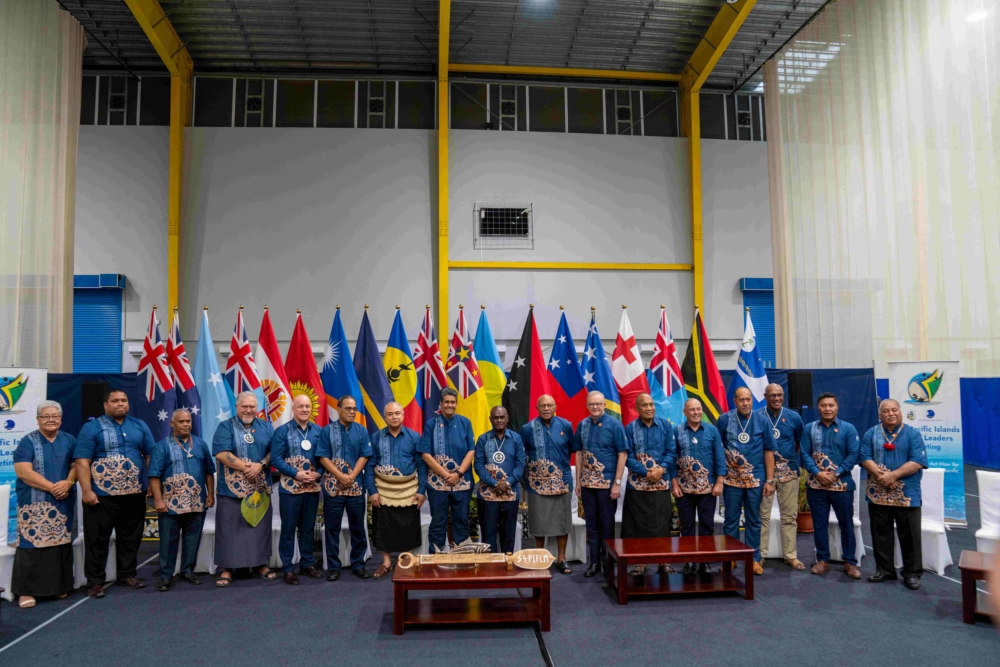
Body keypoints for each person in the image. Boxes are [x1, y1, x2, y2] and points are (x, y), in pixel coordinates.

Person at [74, 388, 156, 597]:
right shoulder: (92, 428)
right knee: (97, 540)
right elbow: (82, 462)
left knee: (131, 538)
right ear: (106, 404)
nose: (121, 404)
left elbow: (150, 456)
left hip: (134, 494)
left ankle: (127, 575)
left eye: (124, 400)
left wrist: (152, 486)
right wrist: (86, 491)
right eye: (115, 401)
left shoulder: (140, 426)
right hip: (101, 496)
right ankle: (95, 581)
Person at [11, 400, 76, 608]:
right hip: (33, 500)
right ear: (38, 419)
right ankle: (25, 592)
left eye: (55, 416)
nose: (51, 420)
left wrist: (69, 482)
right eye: (46, 416)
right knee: (32, 544)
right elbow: (23, 472)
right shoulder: (27, 441)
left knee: (59, 542)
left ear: (61, 418)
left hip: (63, 498)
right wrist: (52, 487)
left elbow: (77, 465)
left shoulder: (69, 439)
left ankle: (57, 587)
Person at [861, 398, 929, 590]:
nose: (890, 413)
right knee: (880, 533)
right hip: (878, 493)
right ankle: (885, 570)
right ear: (880, 415)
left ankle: (912, 573)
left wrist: (893, 475)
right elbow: (864, 456)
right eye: (886, 411)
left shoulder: (913, 434)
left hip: (907, 494)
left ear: (900, 412)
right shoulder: (871, 433)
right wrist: (879, 474)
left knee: (910, 536)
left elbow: (917, 461)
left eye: (894, 410)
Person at [212, 391, 278, 587]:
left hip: (259, 490)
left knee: (258, 528)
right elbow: (221, 453)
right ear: (237, 407)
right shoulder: (225, 427)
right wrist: (247, 467)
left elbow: (274, 451)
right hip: (230, 491)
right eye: (244, 406)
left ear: (257, 408)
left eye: (252, 406)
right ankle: (226, 568)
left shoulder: (266, 426)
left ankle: (260, 564)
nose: (248, 410)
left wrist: (262, 465)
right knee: (229, 529)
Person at [148, 408, 216, 592]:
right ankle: (165, 576)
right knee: (168, 541)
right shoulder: (161, 446)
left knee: (193, 538)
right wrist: (158, 500)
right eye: (181, 422)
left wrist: (210, 495)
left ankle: (188, 571)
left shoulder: (201, 445)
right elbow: (154, 476)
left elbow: (209, 472)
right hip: (170, 504)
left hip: (197, 502)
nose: (186, 424)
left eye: (188, 421)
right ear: (172, 424)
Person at [717, 386, 776, 575]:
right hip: (731, 480)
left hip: (755, 479)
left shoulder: (762, 420)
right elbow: (718, 449)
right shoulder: (724, 419)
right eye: (741, 400)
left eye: (748, 399)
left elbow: (769, 451)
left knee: (753, 519)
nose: (745, 403)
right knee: (731, 520)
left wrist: (769, 480)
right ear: (735, 401)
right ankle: (731, 557)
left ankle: (754, 558)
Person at [801, 392, 861, 578]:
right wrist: (818, 472)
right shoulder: (809, 429)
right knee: (819, 524)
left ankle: (850, 562)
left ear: (837, 407)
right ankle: (822, 560)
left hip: (842, 485)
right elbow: (803, 453)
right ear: (818, 408)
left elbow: (853, 455)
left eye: (831, 405)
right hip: (816, 486)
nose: (827, 409)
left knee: (846, 524)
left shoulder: (848, 429)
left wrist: (835, 474)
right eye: (823, 405)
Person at [366, 402, 426, 579]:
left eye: (397, 413)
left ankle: (405, 559)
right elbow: (369, 466)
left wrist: (422, 489)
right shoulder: (376, 437)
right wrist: (372, 491)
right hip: (383, 489)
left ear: (403, 415)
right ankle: (386, 563)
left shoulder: (415, 437)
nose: (394, 417)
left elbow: (422, 466)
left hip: (409, 489)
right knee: (383, 526)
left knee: (408, 525)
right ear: (385, 417)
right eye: (390, 414)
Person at [317, 395, 373, 580]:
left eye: (354, 409)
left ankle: (358, 564)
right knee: (332, 528)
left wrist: (352, 476)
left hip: (355, 487)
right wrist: (340, 476)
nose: (351, 411)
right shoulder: (327, 431)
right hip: (333, 489)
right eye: (347, 408)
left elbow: (364, 456)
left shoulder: (362, 431)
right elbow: (323, 457)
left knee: (358, 527)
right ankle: (334, 567)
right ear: (338, 409)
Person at [270, 394, 323, 585]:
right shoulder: (282, 431)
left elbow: (325, 458)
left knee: (308, 529)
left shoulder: (318, 431)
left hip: (312, 488)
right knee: (288, 529)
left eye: (307, 406)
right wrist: (296, 473)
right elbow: (276, 459)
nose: (304, 410)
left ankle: (307, 563)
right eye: (300, 406)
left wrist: (319, 474)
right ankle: (288, 568)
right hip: (289, 490)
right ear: (293, 408)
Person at [622, 393, 676, 576]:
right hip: (637, 487)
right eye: (644, 405)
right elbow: (627, 456)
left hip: (661, 485)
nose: (649, 408)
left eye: (651, 404)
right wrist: (646, 472)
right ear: (636, 409)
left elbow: (672, 451)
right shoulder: (630, 429)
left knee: (662, 524)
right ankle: (640, 562)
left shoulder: (666, 426)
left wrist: (661, 470)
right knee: (639, 526)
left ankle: (663, 561)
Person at [520, 394, 575, 574]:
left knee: (562, 522)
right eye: (542, 405)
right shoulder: (527, 429)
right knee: (539, 522)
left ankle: (562, 559)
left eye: (549, 405)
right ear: (537, 408)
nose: (546, 408)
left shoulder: (566, 426)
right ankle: (540, 558)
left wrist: (556, 470)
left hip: (561, 482)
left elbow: (569, 451)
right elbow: (524, 454)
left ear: (554, 406)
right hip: (537, 484)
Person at [576, 390, 628, 578]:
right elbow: (579, 453)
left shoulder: (615, 425)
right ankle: (594, 563)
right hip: (588, 486)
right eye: (591, 404)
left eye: (598, 404)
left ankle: (608, 564)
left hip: (607, 487)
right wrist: (578, 481)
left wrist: (617, 483)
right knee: (591, 525)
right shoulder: (582, 425)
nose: (595, 407)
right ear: (587, 406)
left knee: (606, 526)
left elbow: (622, 454)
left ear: (604, 405)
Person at [672, 398, 726, 574]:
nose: (696, 412)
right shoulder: (676, 431)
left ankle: (705, 560)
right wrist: (674, 484)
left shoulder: (712, 430)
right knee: (686, 526)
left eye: (698, 409)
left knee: (707, 526)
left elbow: (719, 457)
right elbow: (671, 460)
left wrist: (719, 482)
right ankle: (688, 560)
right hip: (683, 489)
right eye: (692, 410)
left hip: (708, 489)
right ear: (684, 412)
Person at [418, 387, 475, 551]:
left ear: (456, 404)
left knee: (462, 521)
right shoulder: (431, 424)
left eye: (452, 402)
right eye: (446, 402)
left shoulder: (465, 422)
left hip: (462, 484)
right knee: (438, 522)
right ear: (441, 404)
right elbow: (425, 455)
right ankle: (435, 563)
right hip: (437, 485)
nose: (450, 405)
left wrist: (458, 474)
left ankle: (461, 561)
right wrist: (445, 475)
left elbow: (471, 450)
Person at [757, 383, 806, 570]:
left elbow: (799, 442)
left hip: (789, 472)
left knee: (789, 516)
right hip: (764, 475)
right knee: (763, 516)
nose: (776, 398)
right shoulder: (758, 416)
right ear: (765, 396)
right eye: (772, 395)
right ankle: (759, 555)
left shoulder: (794, 417)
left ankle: (790, 555)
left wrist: (784, 460)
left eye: (779, 395)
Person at [474, 406, 526, 554]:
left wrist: (507, 482)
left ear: (507, 418)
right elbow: (478, 465)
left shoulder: (516, 438)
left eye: (502, 417)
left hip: (510, 495)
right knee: (488, 534)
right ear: (490, 419)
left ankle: (507, 565)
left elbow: (520, 464)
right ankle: (491, 568)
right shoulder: (483, 439)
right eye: (495, 418)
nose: (499, 420)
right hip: (487, 496)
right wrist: (494, 483)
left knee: (508, 534)